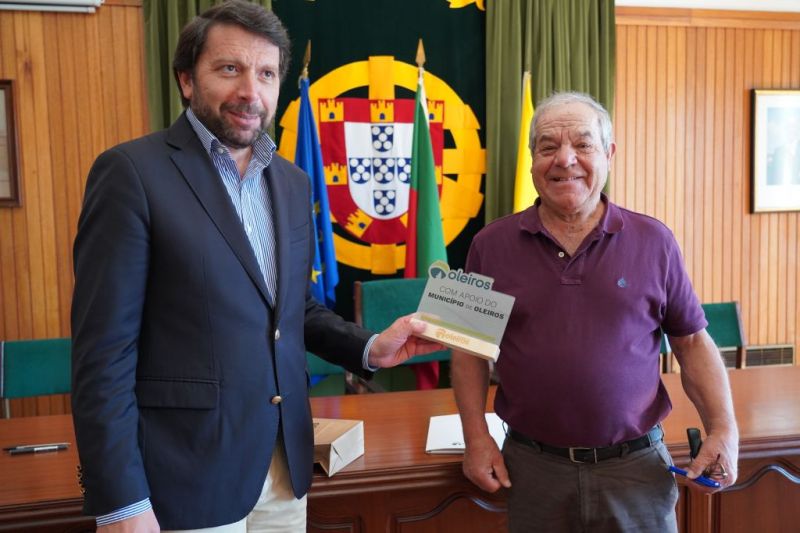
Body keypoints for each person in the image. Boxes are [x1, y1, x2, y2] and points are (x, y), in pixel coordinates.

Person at [70, 2, 440, 531]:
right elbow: (103, 354)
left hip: (284, 469)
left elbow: (291, 310)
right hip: (184, 475)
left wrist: (369, 347)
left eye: (266, 74)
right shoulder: (131, 174)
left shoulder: (291, 182)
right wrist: (122, 502)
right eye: (229, 69)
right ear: (186, 80)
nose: (251, 91)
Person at [451, 92, 739, 532]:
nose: (565, 159)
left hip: (636, 469)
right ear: (532, 160)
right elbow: (465, 349)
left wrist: (723, 429)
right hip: (532, 469)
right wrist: (475, 437)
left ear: (609, 153)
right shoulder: (487, 244)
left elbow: (693, 342)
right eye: (548, 146)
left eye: (583, 144)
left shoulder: (656, 240)